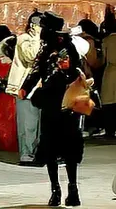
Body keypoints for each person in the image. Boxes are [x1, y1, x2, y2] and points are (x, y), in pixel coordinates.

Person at [35, 48, 87, 207]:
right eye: (60, 60)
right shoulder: (71, 75)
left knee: (65, 157)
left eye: (65, 60)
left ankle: (69, 190)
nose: (62, 62)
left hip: (61, 121)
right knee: (57, 156)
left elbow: (39, 98)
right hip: (60, 121)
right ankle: (59, 190)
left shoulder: (61, 76)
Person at [6, 12, 43, 165]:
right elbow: (31, 56)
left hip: (41, 87)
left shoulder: (44, 41)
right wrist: (36, 36)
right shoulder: (24, 39)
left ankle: (38, 153)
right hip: (25, 87)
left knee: (40, 124)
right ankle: (26, 154)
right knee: (28, 124)